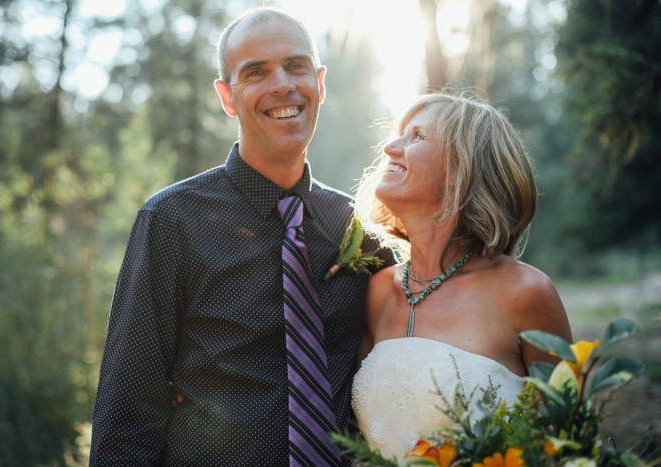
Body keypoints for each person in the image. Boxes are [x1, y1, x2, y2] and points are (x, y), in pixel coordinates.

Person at [89, 7, 394, 466]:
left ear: (320, 82)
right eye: (255, 72)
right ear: (227, 97)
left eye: (297, 66)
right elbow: (127, 412)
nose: (282, 85)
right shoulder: (171, 221)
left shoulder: (357, 228)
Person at [350, 91, 573, 465]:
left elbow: (568, 441)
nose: (390, 147)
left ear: (463, 169)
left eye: (417, 136)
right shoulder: (377, 291)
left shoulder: (526, 294)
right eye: (399, 134)